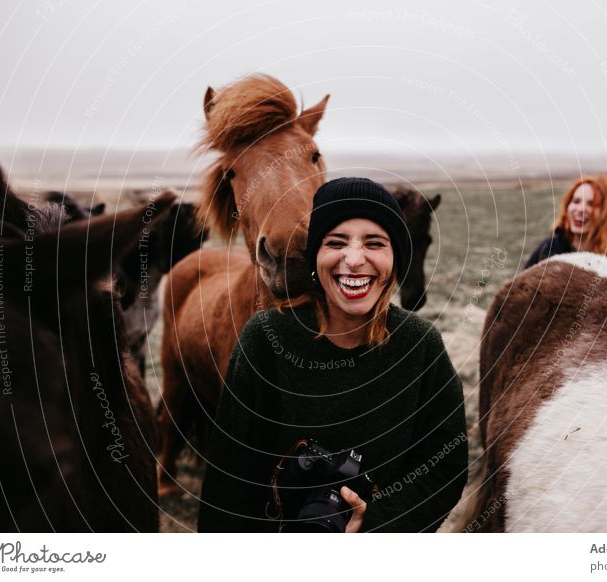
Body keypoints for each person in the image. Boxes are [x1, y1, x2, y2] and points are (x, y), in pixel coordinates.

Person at [198, 177, 468, 533]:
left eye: (375, 243)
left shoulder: (420, 346)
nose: (354, 260)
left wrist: (375, 523)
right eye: (336, 242)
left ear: (395, 260)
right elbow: (228, 481)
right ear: (315, 258)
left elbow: (444, 465)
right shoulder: (266, 339)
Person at [525, 174, 607, 269]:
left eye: (591, 204)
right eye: (576, 201)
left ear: (606, 213)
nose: (581, 209)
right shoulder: (548, 249)